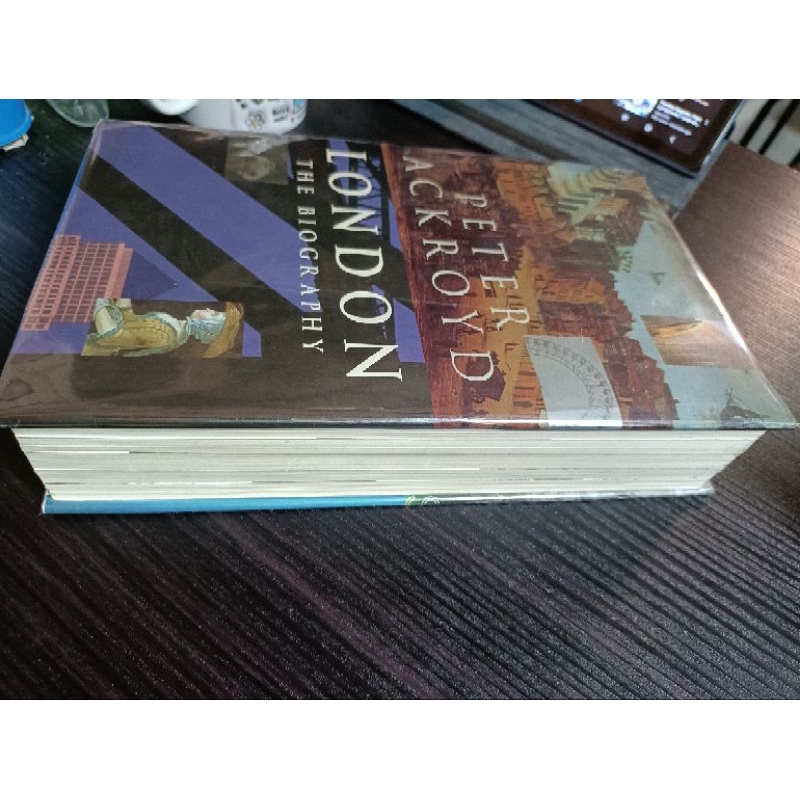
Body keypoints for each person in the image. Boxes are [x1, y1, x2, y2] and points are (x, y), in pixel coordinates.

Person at [82, 298, 242, 358]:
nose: (209, 309)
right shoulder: (175, 326)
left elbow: (111, 336)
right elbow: (130, 321)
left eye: (213, 314)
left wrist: (99, 302)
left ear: (208, 328)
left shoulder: (166, 336)